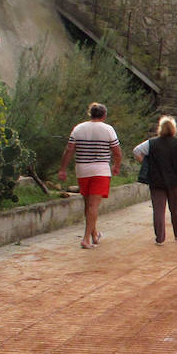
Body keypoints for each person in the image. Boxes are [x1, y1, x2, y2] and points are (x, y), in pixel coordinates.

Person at [58, 102, 122, 249]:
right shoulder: (108, 130)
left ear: (90, 114)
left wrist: (62, 168)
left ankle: (94, 234)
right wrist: (116, 166)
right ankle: (86, 238)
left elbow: (69, 150)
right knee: (93, 205)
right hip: (100, 171)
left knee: (88, 204)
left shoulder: (78, 129)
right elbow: (117, 152)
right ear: (104, 115)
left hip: (82, 169)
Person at [133, 115, 177, 244]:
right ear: (174, 129)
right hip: (176, 180)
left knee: (158, 209)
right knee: (175, 208)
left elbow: (137, 151)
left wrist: (147, 164)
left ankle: (160, 238)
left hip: (156, 180)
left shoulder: (152, 143)